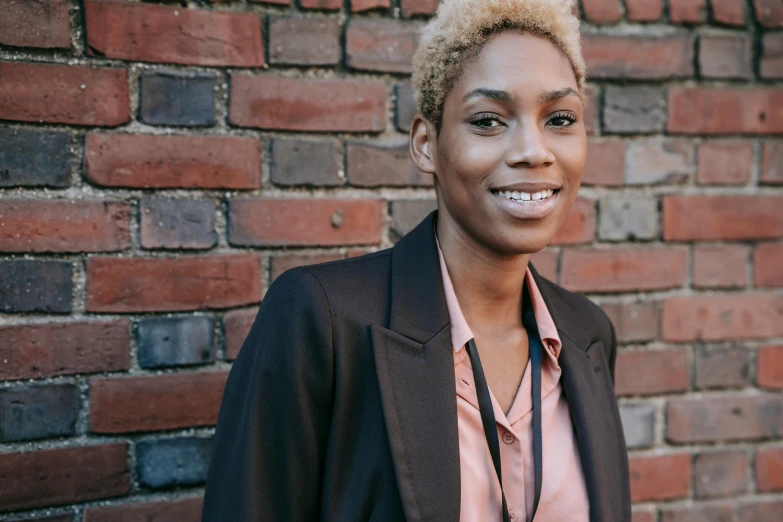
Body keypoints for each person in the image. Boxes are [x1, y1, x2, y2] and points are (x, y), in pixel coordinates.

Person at [202, 0, 631, 520]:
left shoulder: (588, 336)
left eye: (560, 118)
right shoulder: (324, 320)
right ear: (427, 144)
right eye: (489, 121)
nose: (534, 151)